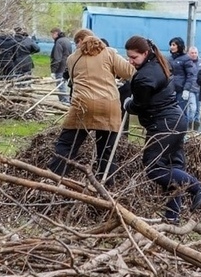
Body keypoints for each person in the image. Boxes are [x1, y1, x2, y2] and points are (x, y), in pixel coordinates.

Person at [124, 36, 201, 224]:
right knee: (173, 168)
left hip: (162, 124)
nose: (130, 61)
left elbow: (139, 105)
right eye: (129, 57)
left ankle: (198, 187)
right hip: (177, 120)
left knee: (153, 168)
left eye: (134, 57)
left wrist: (128, 104)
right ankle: (172, 217)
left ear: (145, 53)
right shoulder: (158, 64)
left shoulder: (144, 76)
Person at [47, 30, 136, 184]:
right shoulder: (110, 53)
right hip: (109, 106)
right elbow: (130, 72)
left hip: (83, 106)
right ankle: (106, 186)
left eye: (77, 43)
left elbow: (72, 80)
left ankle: (54, 179)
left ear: (80, 40)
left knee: (67, 145)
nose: (77, 46)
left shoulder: (72, 58)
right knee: (106, 151)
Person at [102, 37, 132, 137]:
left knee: (122, 115)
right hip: (107, 93)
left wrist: (118, 80)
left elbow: (127, 71)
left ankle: (122, 136)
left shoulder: (113, 57)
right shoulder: (95, 60)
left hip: (122, 90)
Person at [168, 37, 197, 124]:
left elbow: (190, 75)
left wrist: (186, 89)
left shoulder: (186, 59)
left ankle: (183, 133)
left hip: (181, 90)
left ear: (179, 46)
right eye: (171, 45)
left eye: (174, 45)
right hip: (170, 90)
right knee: (170, 112)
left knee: (181, 112)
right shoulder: (169, 59)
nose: (171, 47)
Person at [50, 27, 72, 105]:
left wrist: (53, 70)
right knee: (63, 83)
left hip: (60, 67)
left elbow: (57, 57)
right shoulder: (66, 40)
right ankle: (65, 100)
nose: (52, 36)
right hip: (67, 65)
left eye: (52, 34)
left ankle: (64, 101)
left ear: (56, 33)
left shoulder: (59, 42)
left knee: (60, 85)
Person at [188, 46, 201, 130]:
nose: (194, 55)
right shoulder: (187, 62)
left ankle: (196, 130)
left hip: (200, 90)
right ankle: (190, 127)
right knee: (192, 109)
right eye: (192, 53)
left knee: (199, 110)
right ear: (189, 54)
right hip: (190, 89)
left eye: (195, 53)